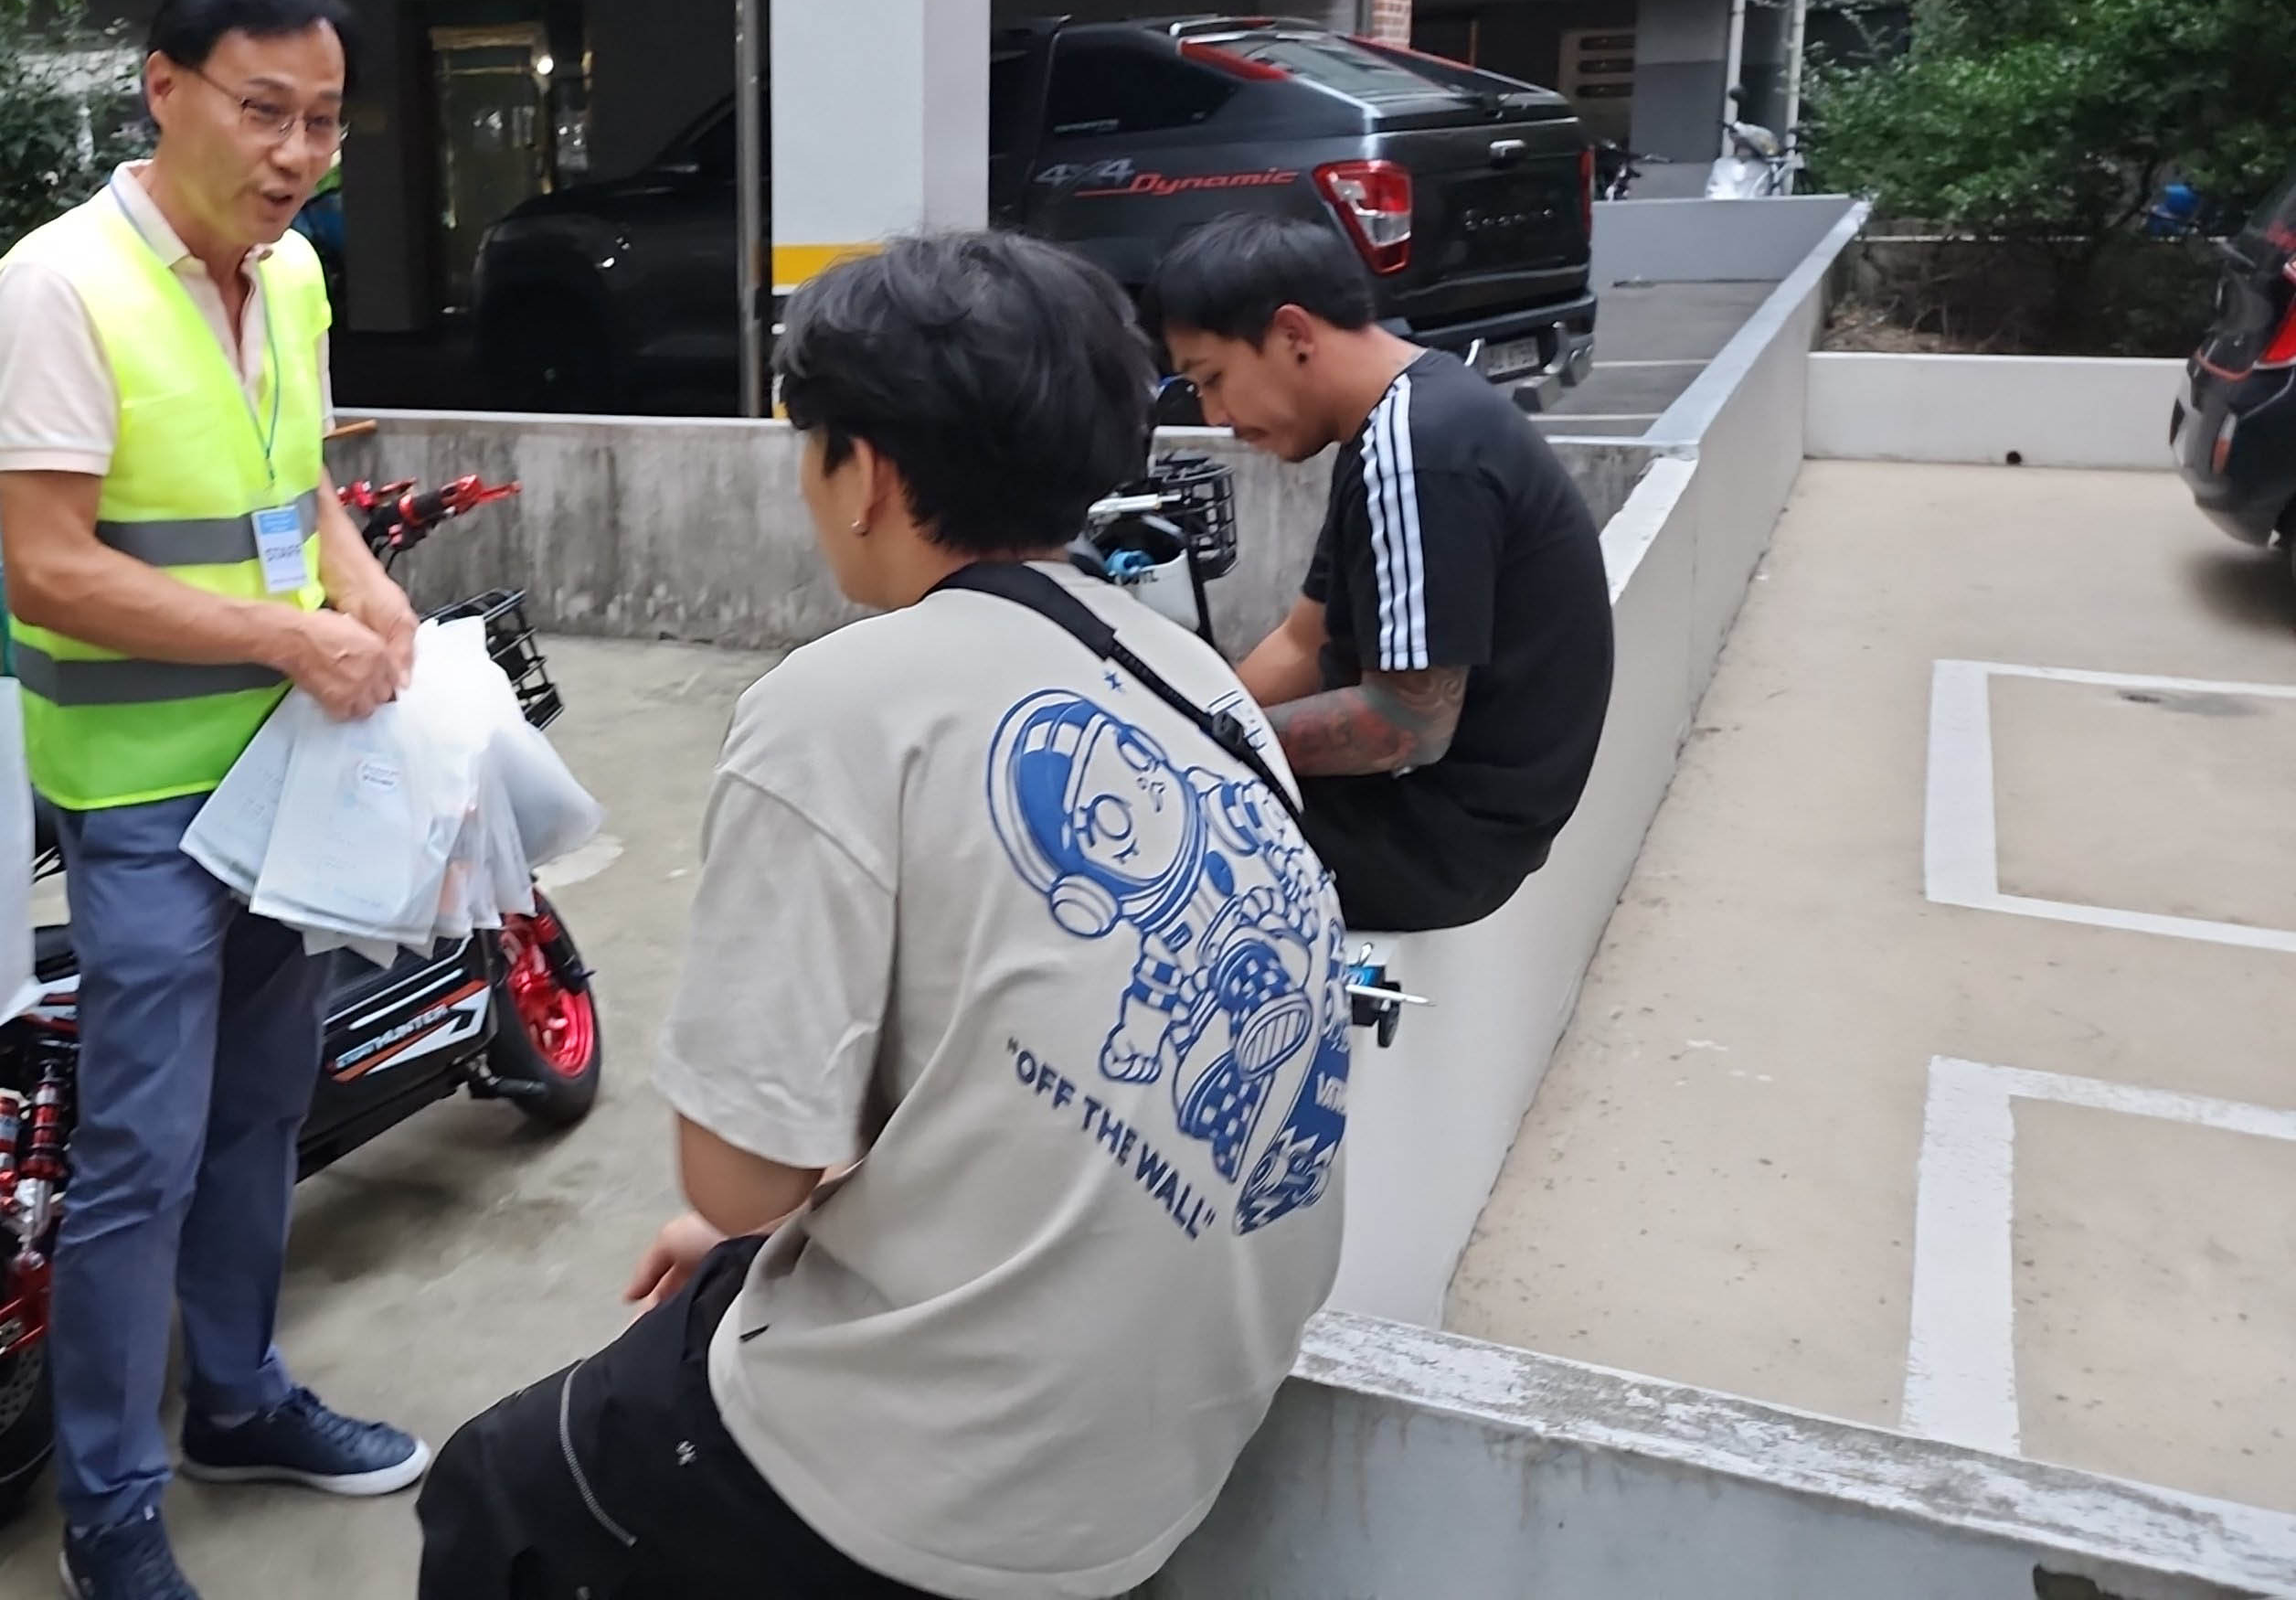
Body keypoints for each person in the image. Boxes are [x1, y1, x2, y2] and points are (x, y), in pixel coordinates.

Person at [416, 232, 1356, 1600]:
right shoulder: (1198, 683)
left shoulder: (839, 706)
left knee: (499, 1490)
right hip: (1173, 1446)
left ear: (865, 474)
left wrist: (755, 1223)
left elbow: (740, 1185)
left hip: (960, 1489)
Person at [0, 0, 429, 1600]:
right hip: (145, 800)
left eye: (326, 120)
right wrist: (288, 639)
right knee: (142, 1155)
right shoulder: (55, 290)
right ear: (164, 90)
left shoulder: (289, 281)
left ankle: (236, 1399)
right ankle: (108, 1509)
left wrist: (360, 584)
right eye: (263, 111)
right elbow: (49, 569)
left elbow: (295, 492)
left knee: (260, 1116)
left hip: (287, 780)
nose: (297, 153)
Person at [1151, 212, 1616, 934]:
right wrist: (1184, 722)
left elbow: (1408, 724)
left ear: (1294, 335)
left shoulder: (1418, 452)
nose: (1216, 416)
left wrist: (1209, 752)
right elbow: (1303, 641)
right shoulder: (1404, 417)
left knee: (1127, 851)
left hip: (1438, 846)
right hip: (1439, 821)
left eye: (1212, 379)